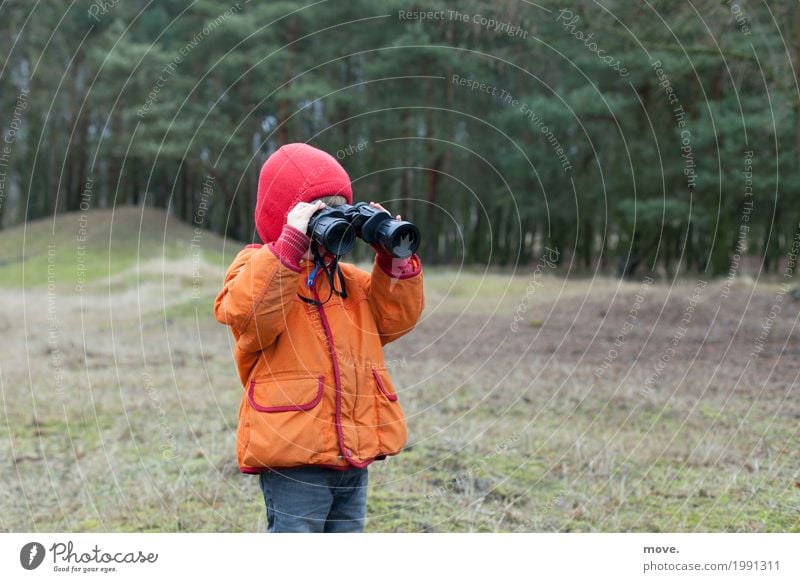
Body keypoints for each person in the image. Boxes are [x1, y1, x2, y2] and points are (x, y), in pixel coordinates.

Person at [213, 143, 425, 532]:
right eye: (318, 211)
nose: (331, 221)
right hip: (294, 453)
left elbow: (394, 320)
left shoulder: (350, 281)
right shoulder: (255, 268)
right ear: (285, 216)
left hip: (353, 450)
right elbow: (250, 315)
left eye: (339, 208)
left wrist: (392, 256)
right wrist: (289, 248)